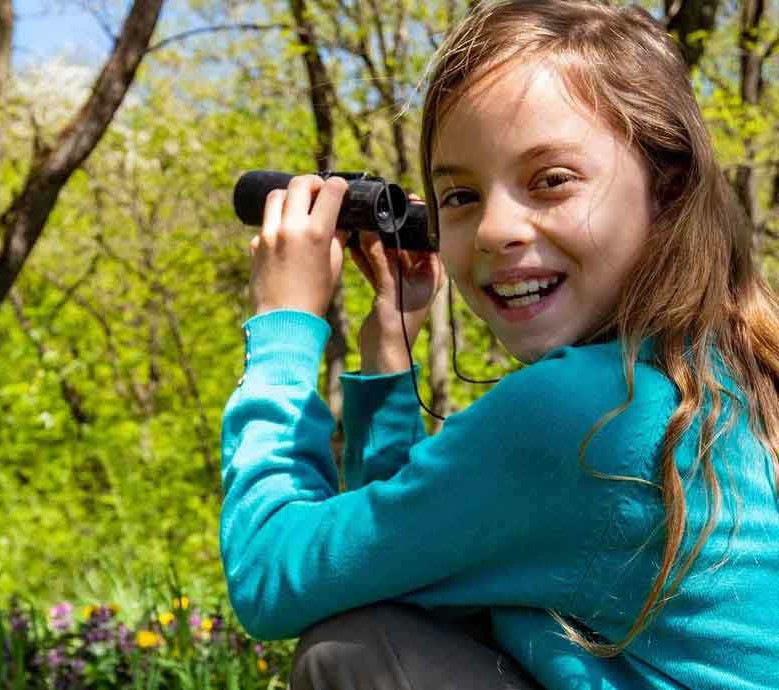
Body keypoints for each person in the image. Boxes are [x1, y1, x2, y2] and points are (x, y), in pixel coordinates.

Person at [219, 0, 779, 688]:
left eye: (550, 180)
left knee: (353, 651)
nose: (494, 230)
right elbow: (403, 556)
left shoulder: (587, 411)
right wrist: (390, 343)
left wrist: (283, 329)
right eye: (460, 196)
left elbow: (269, 574)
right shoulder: (718, 368)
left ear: (667, 190)